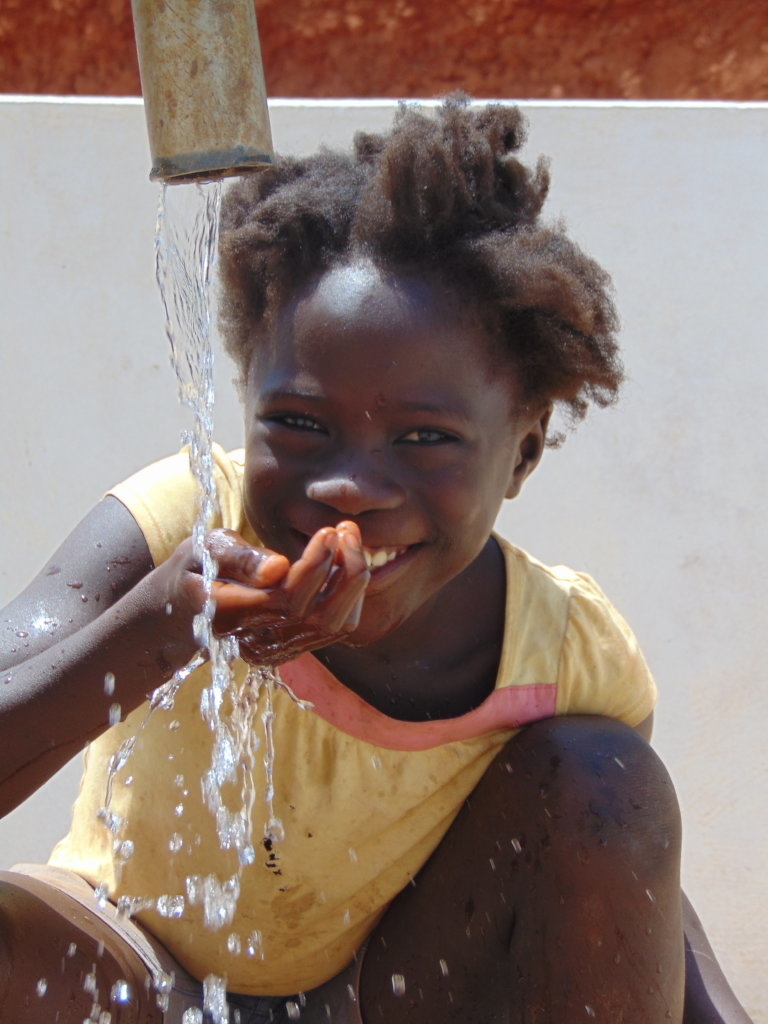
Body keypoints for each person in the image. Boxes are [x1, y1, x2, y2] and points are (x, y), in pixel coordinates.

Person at [0, 96, 753, 1024]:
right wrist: (154, 633)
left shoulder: (560, 655)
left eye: (425, 437)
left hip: (381, 996)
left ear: (522, 452)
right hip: (124, 970)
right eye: (299, 423)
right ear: (246, 401)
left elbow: (630, 887)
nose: (351, 488)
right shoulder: (181, 528)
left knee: (607, 779)